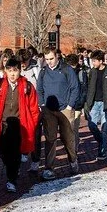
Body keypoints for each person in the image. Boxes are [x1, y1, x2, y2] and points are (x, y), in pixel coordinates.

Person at [0, 56, 40, 193]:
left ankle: (11, 179)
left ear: (20, 71)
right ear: (5, 71)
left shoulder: (27, 86)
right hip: (2, 124)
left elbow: (34, 108)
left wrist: (31, 124)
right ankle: (12, 169)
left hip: (19, 125)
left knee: (15, 153)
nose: (12, 74)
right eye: (9, 71)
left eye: (15, 71)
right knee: (3, 151)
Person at [36, 48, 81, 179]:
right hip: (49, 110)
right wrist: (42, 104)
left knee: (68, 138)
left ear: (57, 57)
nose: (49, 61)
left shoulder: (67, 69)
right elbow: (39, 89)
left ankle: (73, 160)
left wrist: (69, 105)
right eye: (47, 59)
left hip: (64, 109)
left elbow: (75, 87)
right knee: (50, 139)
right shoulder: (43, 72)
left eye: (51, 58)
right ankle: (49, 168)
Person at [82, 50, 107, 161]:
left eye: (94, 61)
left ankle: (102, 152)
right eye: (92, 61)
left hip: (106, 104)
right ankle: (102, 140)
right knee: (91, 125)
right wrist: (87, 101)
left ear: (101, 61)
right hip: (94, 103)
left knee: (105, 127)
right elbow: (88, 87)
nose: (93, 63)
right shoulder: (92, 72)